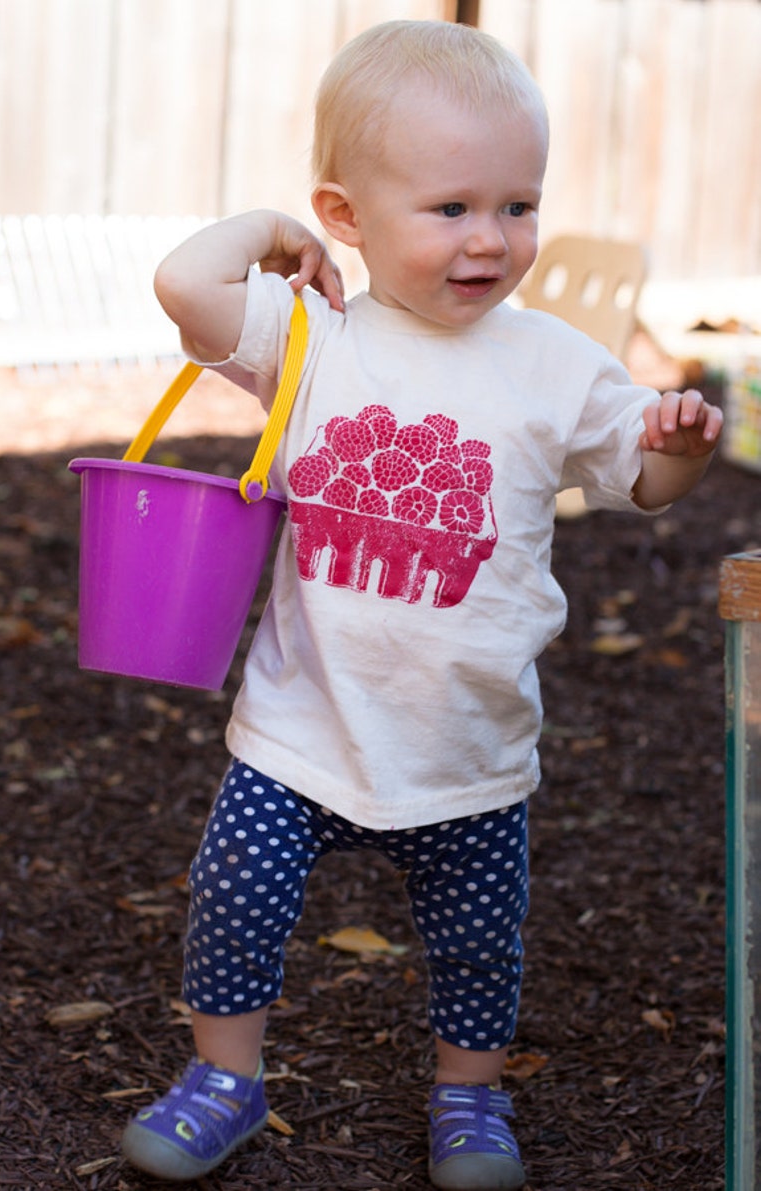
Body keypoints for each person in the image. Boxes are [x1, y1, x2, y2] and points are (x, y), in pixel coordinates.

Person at [120, 19, 723, 1191]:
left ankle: (467, 1093)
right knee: (233, 896)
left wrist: (680, 446)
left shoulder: (553, 363)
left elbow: (643, 487)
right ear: (345, 216)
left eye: (517, 205)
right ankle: (224, 1081)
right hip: (301, 729)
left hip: (467, 744)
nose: (490, 239)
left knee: (475, 944)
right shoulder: (310, 341)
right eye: (449, 208)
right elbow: (184, 284)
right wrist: (274, 237)